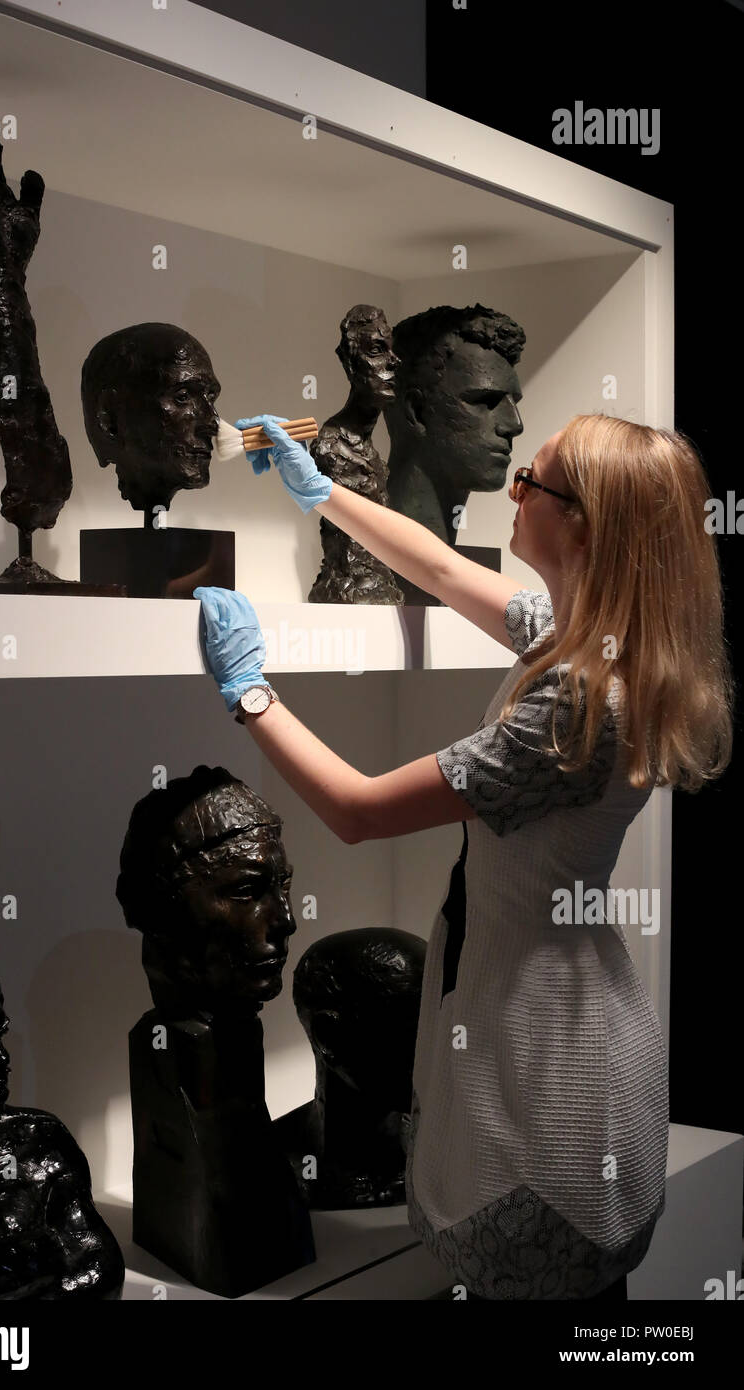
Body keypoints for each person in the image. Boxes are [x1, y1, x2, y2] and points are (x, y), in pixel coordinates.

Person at [193, 412, 734, 1301]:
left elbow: (361, 812)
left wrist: (249, 691)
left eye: (534, 482)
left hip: (546, 1061)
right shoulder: (589, 641)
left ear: (586, 524)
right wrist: (323, 493)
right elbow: (442, 568)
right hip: (567, 1019)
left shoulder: (578, 700)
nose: (511, 491)